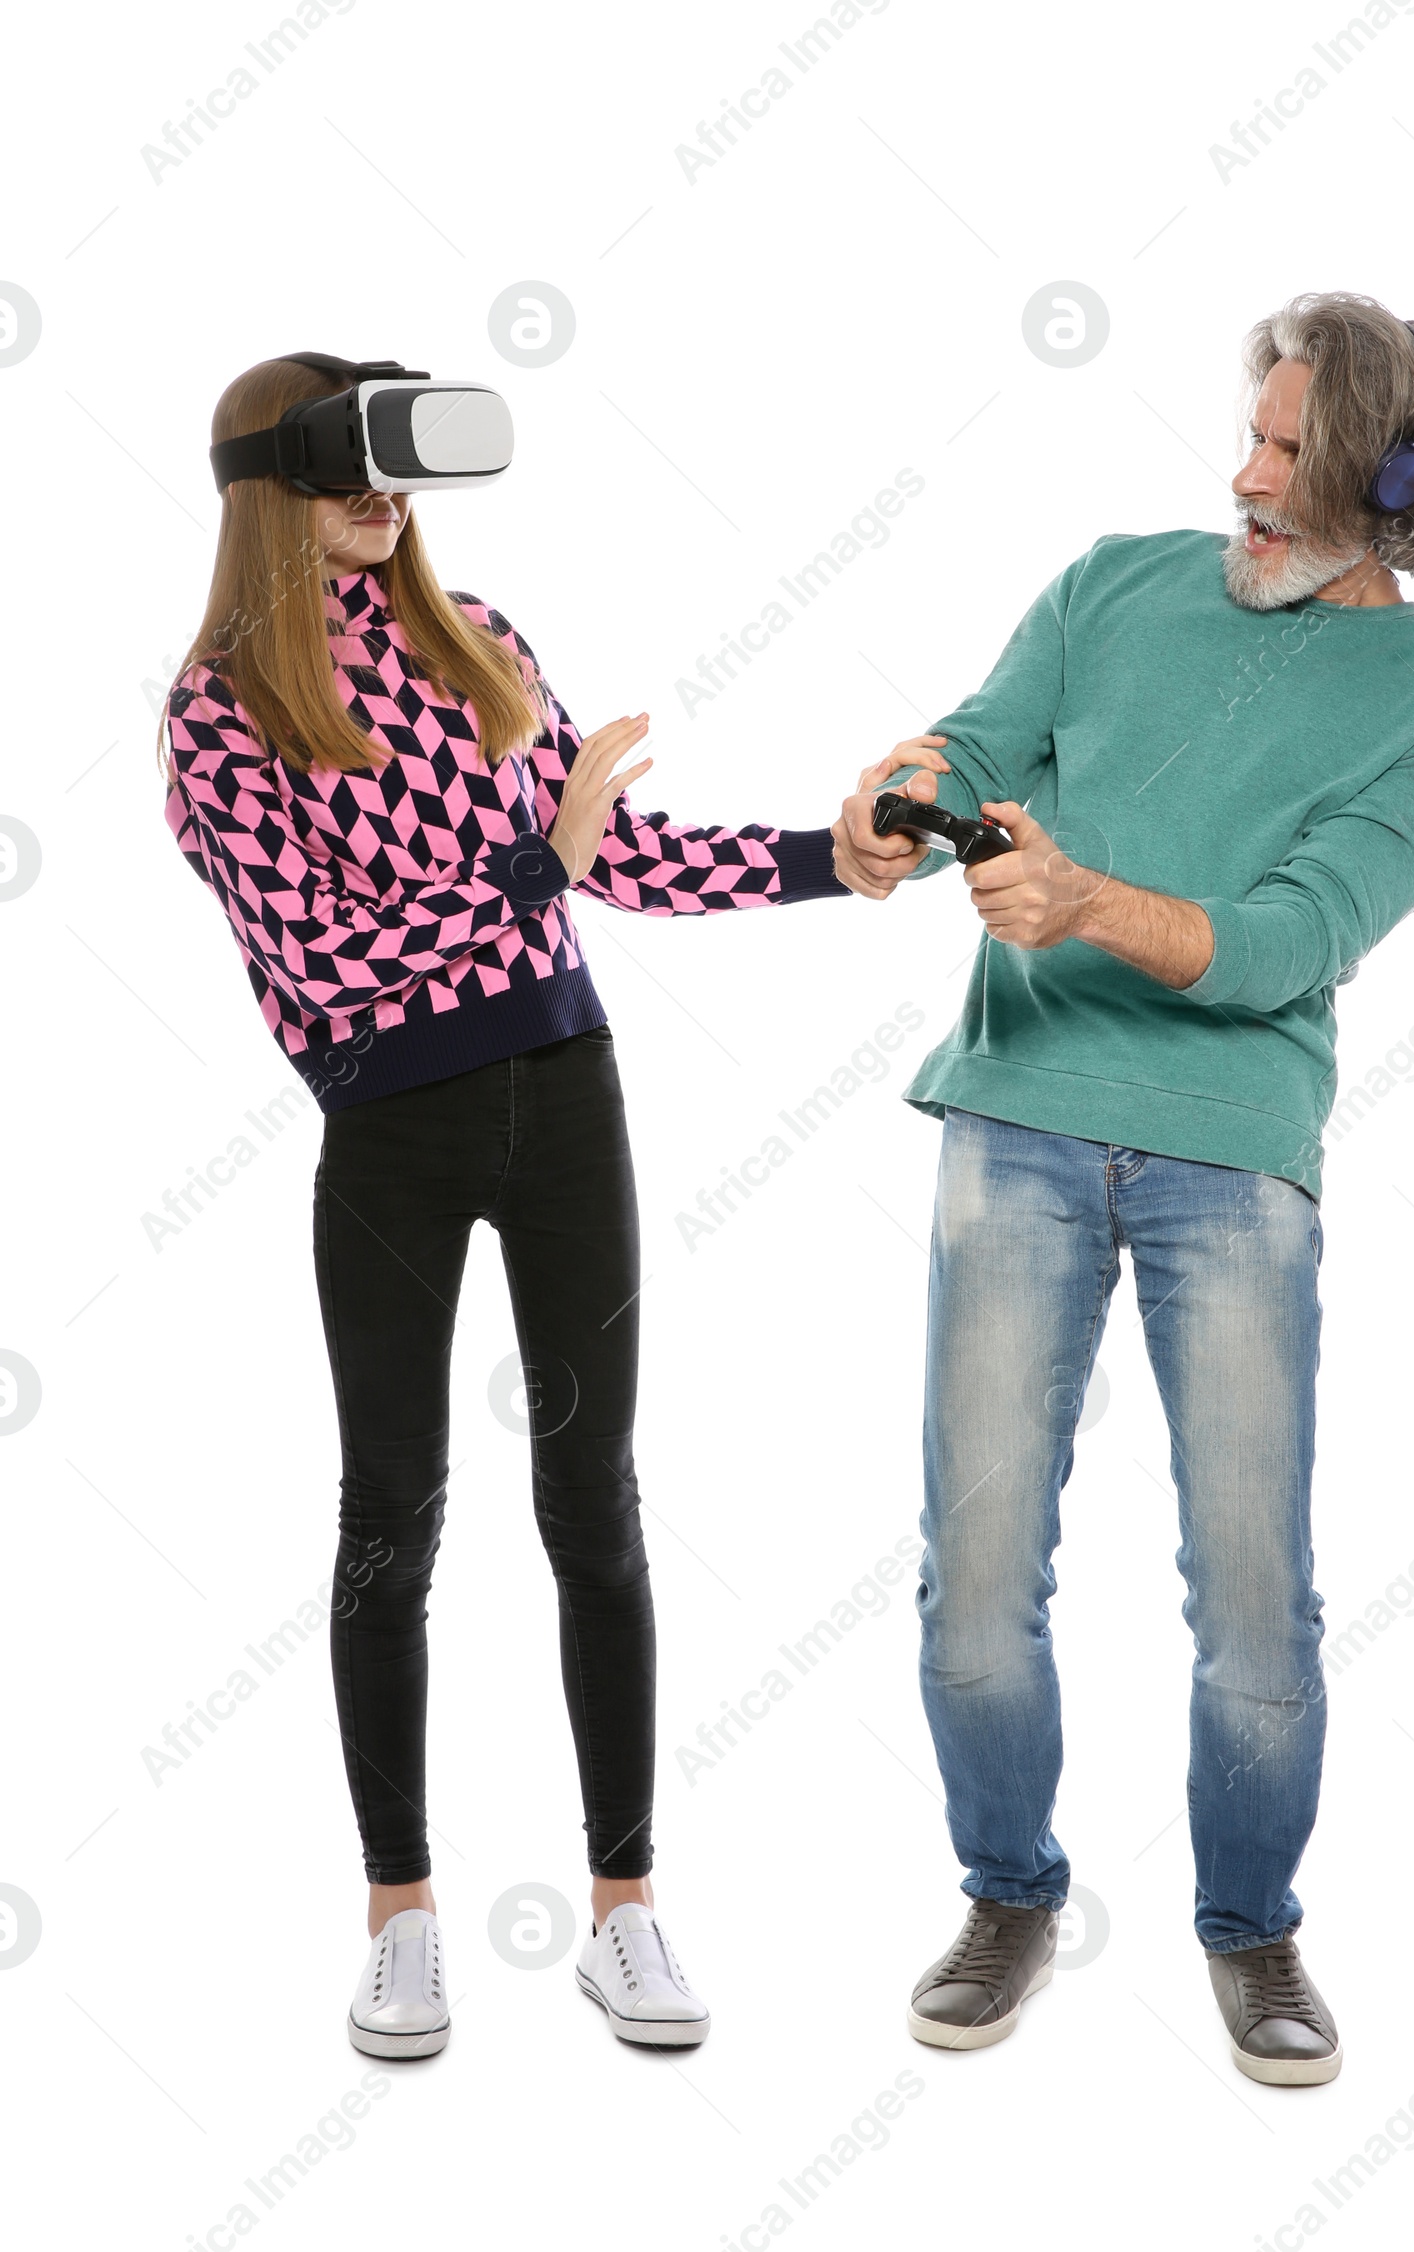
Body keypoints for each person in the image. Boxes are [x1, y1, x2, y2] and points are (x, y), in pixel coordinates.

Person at [161, 352, 945, 2060]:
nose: (390, 500)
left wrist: (837, 850)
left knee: (595, 1499)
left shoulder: (484, 642)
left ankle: (625, 1911)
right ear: (270, 488)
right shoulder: (222, 713)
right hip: (391, 1137)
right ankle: (399, 1919)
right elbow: (328, 967)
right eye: (353, 468)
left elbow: (619, 859)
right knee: (392, 1514)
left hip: (567, 1099)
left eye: (401, 471)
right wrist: (535, 866)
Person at [831, 292, 1414, 2082]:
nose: (1247, 472)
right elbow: (975, 745)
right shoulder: (1113, 582)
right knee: (976, 1570)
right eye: (1255, 430)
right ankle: (1008, 1891)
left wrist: (1083, 905)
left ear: (1399, 478)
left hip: (1236, 1165)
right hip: (1017, 1115)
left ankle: (1253, 1931)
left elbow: (1290, 943)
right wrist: (904, 788)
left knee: (1254, 1582)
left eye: (1292, 452)